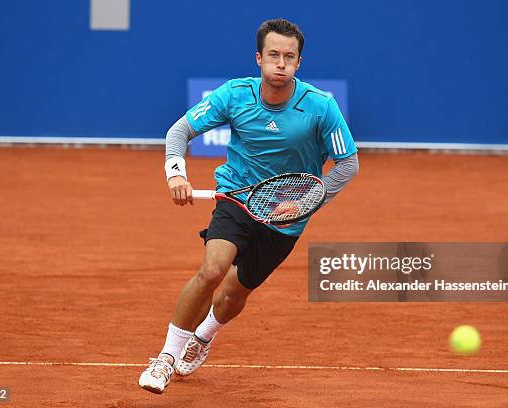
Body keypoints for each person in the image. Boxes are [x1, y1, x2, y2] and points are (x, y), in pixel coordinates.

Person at [139, 18, 359, 394]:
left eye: (289, 57)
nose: (280, 63)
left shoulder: (321, 107)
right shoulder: (234, 95)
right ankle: (165, 358)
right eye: (273, 55)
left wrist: (308, 199)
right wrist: (175, 173)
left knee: (232, 294)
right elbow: (180, 131)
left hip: (285, 219)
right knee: (212, 271)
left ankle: (204, 336)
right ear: (259, 58)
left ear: (299, 63)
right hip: (238, 200)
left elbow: (348, 164)